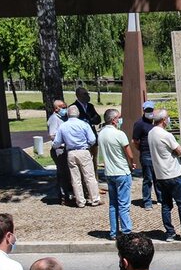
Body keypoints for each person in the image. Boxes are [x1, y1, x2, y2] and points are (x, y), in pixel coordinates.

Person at [148, 109, 181, 242]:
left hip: (160, 175)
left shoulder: (151, 133)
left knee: (166, 205)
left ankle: (170, 232)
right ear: (164, 120)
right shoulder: (166, 135)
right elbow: (180, 151)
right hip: (172, 173)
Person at [98, 108, 136, 240]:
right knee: (124, 204)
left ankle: (114, 232)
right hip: (121, 171)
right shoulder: (119, 134)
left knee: (113, 204)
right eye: (118, 117)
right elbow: (129, 153)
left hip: (109, 172)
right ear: (114, 120)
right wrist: (132, 164)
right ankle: (126, 231)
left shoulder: (101, 134)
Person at [53, 105, 99, 208]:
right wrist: (87, 145)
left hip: (71, 152)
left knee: (75, 178)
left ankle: (80, 201)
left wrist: (60, 145)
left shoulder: (63, 126)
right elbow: (92, 139)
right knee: (89, 176)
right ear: (78, 114)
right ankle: (95, 199)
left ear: (68, 114)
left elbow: (56, 142)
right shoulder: (84, 124)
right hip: (83, 151)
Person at [131, 101, 157, 209]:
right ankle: (147, 201)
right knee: (148, 178)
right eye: (147, 110)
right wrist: (141, 149)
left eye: (151, 110)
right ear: (144, 110)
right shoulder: (139, 123)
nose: (149, 112)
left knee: (158, 178)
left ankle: (161, 198)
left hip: (156, 154)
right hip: (146, 154)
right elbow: (135, 140)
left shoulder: (155, 122)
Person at [47, 100, 73, 205]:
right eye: (62, 107)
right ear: (56, 108)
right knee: (62, 173)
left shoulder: (64, 118)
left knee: (66, 173)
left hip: (65, 148)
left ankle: (67, 195)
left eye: (65, 106)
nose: (64, 108)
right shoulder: (54, 119)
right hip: (59, 149)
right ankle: (63, 196)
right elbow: (52, 135)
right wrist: (64, 139)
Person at [73, 86, 102, 177]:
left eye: (88, 94)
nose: (88, 96)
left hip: (92, 138)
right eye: (85, 94)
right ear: (78, 95)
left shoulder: (90, 106)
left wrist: (90, 120)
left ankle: (95, 181)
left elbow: (98, 119)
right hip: (82, 140)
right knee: (84, 163)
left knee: (94, 161)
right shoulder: (74, 107)